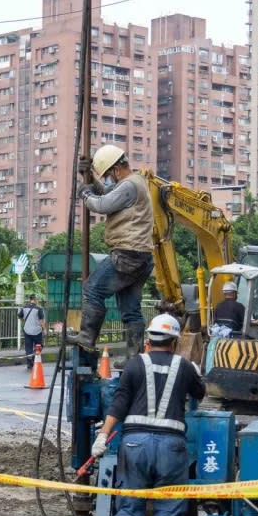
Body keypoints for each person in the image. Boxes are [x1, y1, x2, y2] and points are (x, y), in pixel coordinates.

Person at [90, 313, 205, 516]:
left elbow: (118, 402)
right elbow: (200, 393)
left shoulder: (134, 364)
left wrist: (102, 436)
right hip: (171, 447)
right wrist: (196, 374)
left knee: (130, 499)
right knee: (169, 503)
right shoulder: (184, 367)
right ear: (175, 341)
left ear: (148, 340)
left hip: (134, 444)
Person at [66, 144, 154, 363]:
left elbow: (103, 204)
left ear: (116, 169)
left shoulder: (128, 186)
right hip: (142, 257)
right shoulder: (133, 184)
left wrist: (85, 194)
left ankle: (87, 336)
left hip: (127, 254)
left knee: (92, 289)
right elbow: (106, 193)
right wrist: (90, 179)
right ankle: (134, 357)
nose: (108, 179)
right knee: (130, 309)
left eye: (107, 175)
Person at [18, 293, 45, 369]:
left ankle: (29, 363)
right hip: (37, 331)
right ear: (35, 300)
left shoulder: (24, 308)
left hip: (27, 330)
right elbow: (41, 320)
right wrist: (44, 329)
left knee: (28, 347)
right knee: (39, 345)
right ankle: (34, 359)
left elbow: (19, 316)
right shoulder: (39, 309)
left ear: (30, 300)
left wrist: (25, 322)